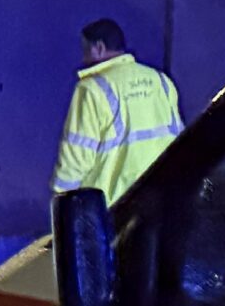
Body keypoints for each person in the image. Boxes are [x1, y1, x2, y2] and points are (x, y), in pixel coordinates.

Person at [52, 17, 182, 204]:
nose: (83, 58)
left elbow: (76, 157)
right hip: (160, 200)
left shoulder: (90, 89)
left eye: (85, 49)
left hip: (115, 207)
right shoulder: (160, 81)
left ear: (99, 48)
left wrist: (62, 200)